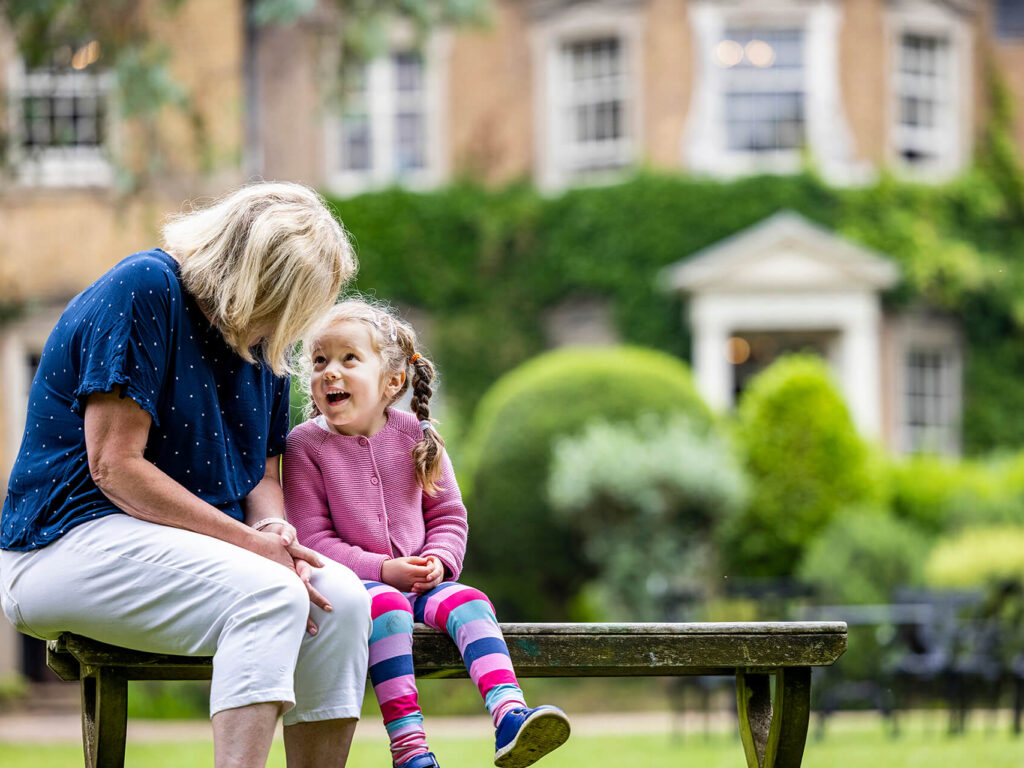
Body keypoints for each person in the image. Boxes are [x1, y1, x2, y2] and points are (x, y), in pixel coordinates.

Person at [0, 182, 373, 768]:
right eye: (283, 304)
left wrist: (275, 530)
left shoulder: (263, 342)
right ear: (252, 277)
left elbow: (261, 478)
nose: (287, 326)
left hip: (190, 546)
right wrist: (253, 548)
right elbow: (114, 467)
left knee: (345, 602)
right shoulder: (145, 290)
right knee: (271, 594)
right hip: (63, 543)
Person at [283, 298, 570, 768]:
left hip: (424, 582)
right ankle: (410, 750)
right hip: (361, 588)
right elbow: (312, 539)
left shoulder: (418, 436)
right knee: (388, 605)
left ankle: (509, 715)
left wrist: (439, 559)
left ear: (392, 381)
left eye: (348, 359)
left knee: (471, 601)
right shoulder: (305, 446)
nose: (329, 372)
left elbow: (449, 516)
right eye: (319, 361)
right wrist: (382, 570)